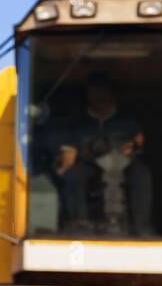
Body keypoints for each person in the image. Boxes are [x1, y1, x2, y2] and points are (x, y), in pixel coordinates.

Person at [57, 73, 154, 236]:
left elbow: (140, 143)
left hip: (123, 163)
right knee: (73, 176)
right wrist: (69, 158)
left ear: (111, 93)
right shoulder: (77, 123)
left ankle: (141, 226)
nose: (98, 96)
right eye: (94, 92)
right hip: (91, 165)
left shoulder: (127, 120)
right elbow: (68, 153)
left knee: (141, 174)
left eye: (103, 91)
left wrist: (132, 148)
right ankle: (79, 225)